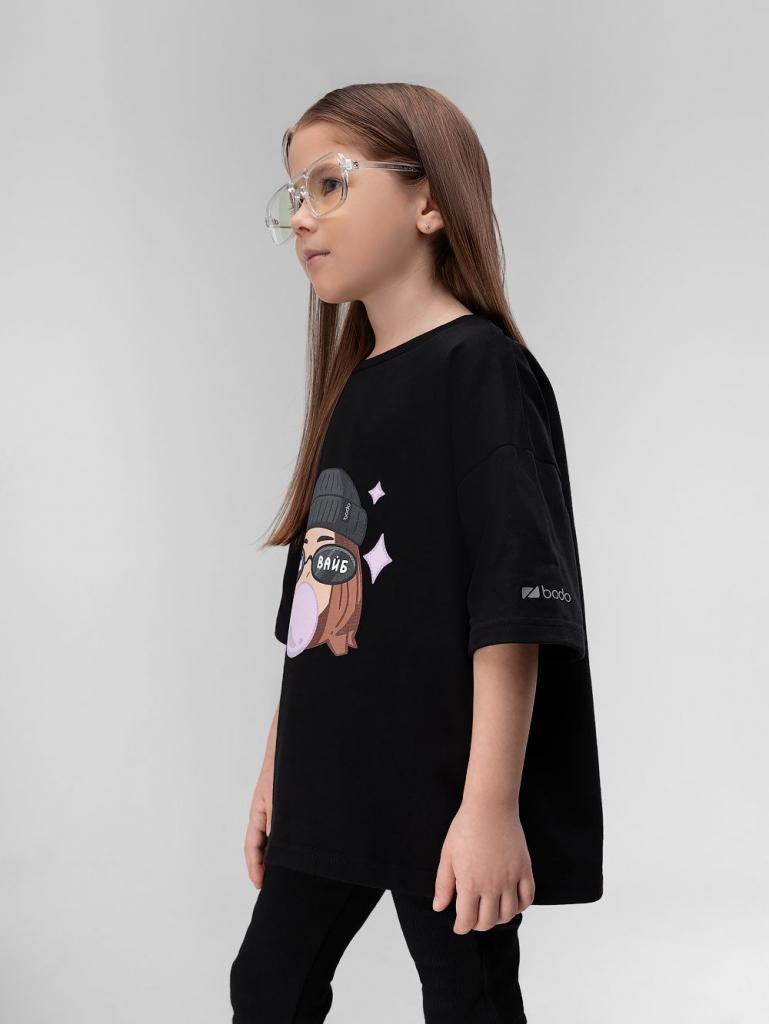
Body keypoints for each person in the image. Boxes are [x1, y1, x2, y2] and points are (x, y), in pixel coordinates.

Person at [230, 82, 604, 1024]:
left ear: (428, 202)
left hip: (442, 789)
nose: (302, 217)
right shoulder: (354, 387)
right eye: (294, 196)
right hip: (331, 777)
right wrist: (278, 770)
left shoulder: (481, 371)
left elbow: (511, 607)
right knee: (266, 984)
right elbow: (313, 608)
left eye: (328, 184)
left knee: (466, 998)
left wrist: (489, 807)